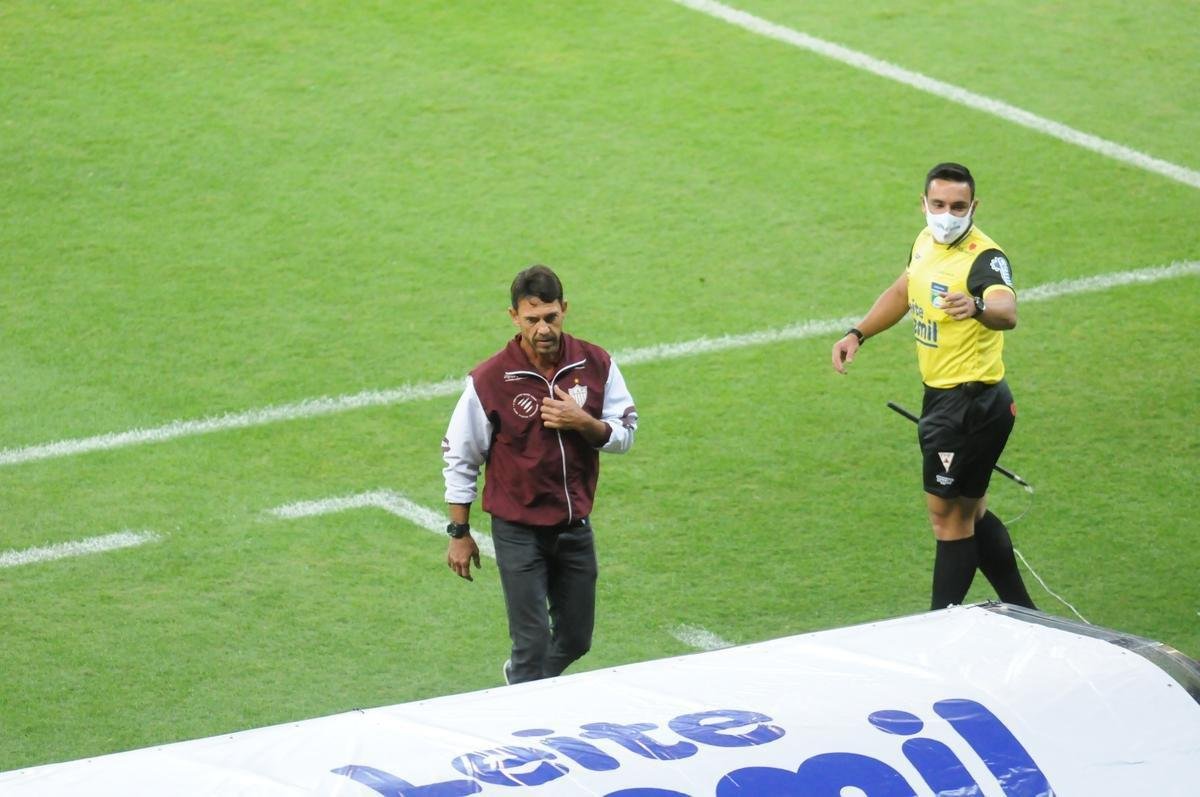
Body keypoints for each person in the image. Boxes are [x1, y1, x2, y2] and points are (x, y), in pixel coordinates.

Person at [830, 162, 1037, 611]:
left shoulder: (984, 257)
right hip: (954, 400)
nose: (947, 214)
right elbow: (905, 290)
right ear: (924, 203)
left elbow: (1007, 310)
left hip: (967, 404)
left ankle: (938, 625)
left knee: (948, 522)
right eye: (939, 204)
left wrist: (978, 304)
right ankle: (1026, 613)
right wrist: (857, 333)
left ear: (973, 207)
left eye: (958, 206)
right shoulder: (926, 241)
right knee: (971, 513)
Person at [441, 264, 638, 683]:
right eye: (532, 320)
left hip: (574, 527)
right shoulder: (490, 379)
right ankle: (524, 716)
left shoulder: (596, 362)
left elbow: (626, 432)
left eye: (551, 317)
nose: (543, 329)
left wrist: (584, 422)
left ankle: (522, 685)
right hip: (518, 532)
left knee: (575, 639)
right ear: (514, 317)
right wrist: (460, 534)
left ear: (564, 309)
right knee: (530, 644)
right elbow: (462, 457)